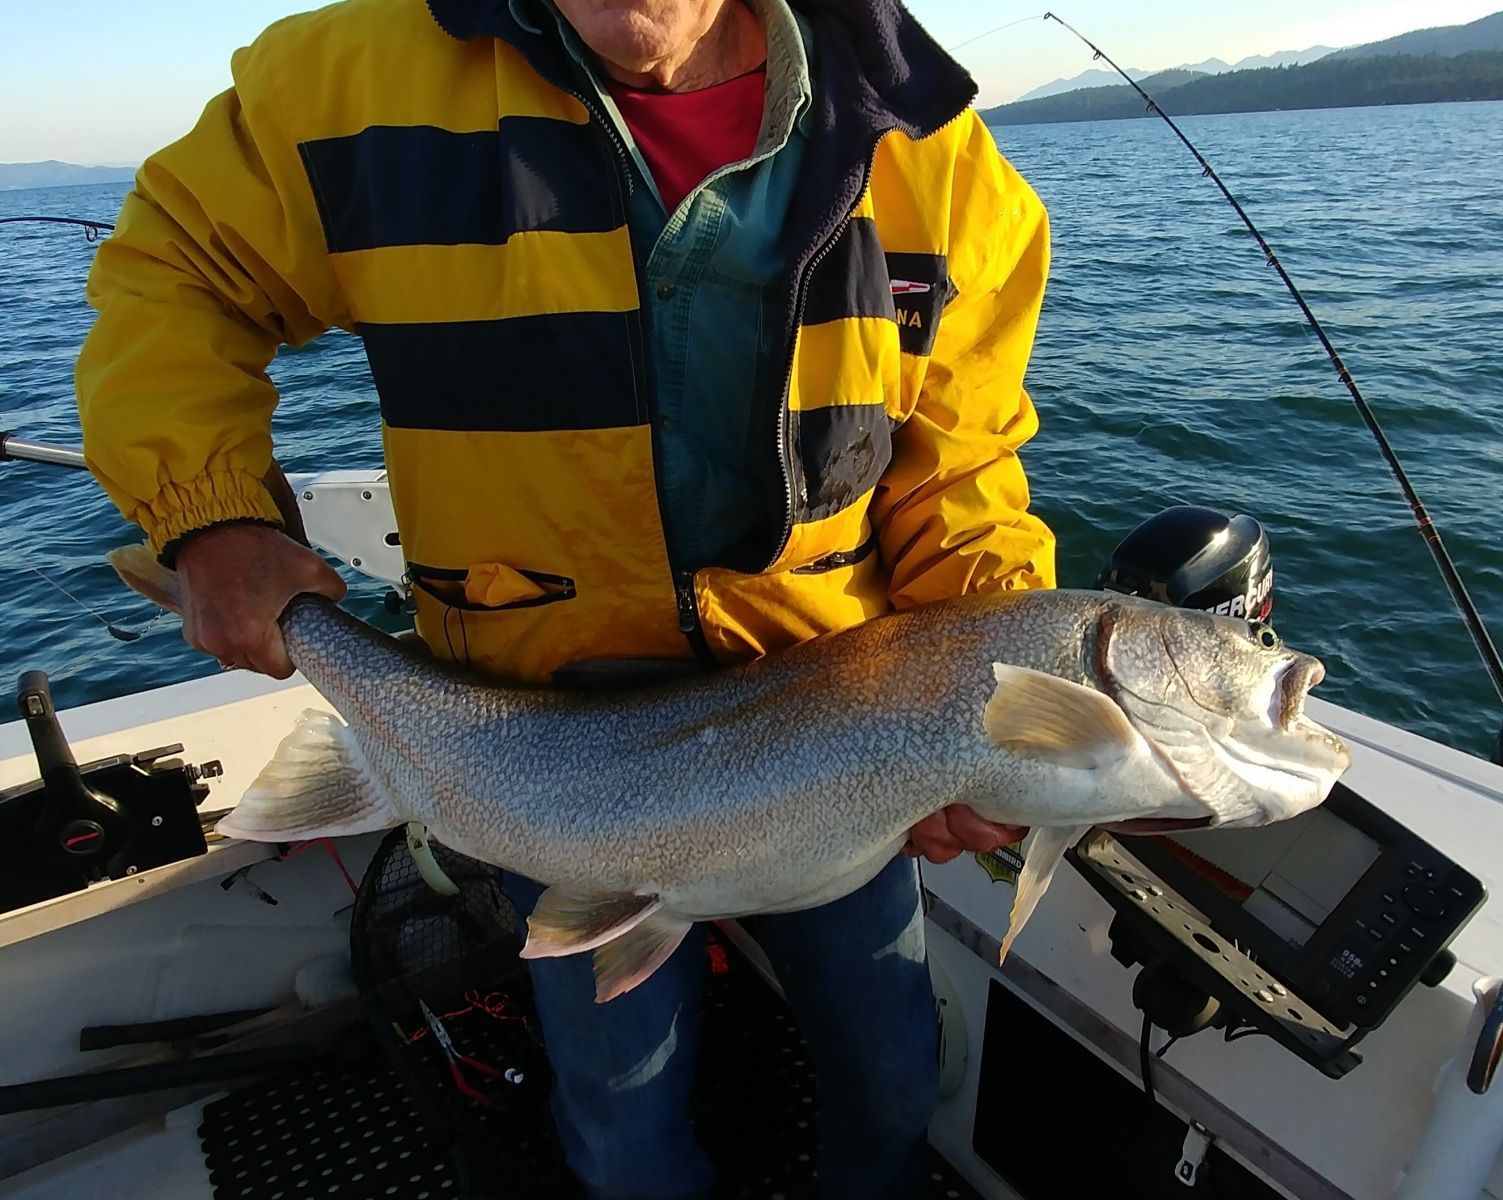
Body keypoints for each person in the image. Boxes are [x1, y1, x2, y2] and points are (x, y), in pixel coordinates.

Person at [75, 0, 1056, 1195]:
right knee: (621, 1116)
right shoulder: (343, 83)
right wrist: (212, 511)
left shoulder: (926, 142)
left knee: (893, 1064)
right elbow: (175, 271)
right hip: (533, 747)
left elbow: (957, 472)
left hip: (833, 731)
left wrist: (995, 703)